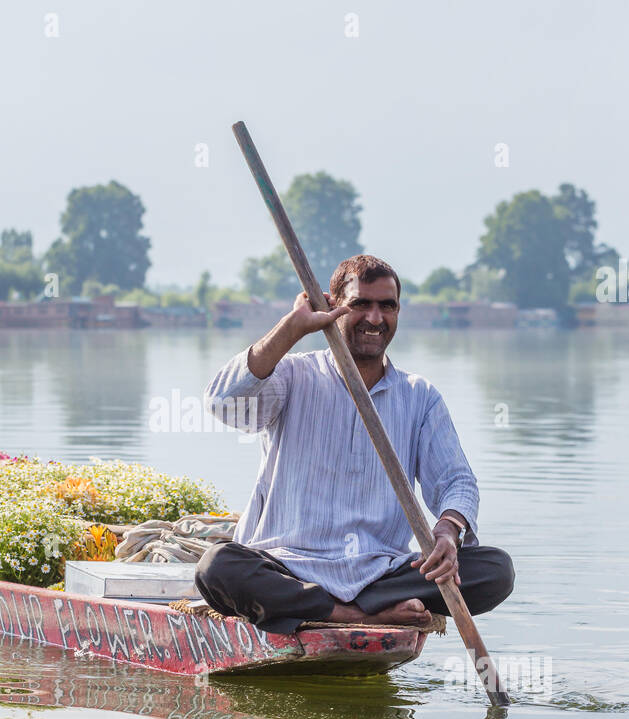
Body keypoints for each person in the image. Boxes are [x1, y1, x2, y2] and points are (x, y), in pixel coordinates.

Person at [195, 254, 514, 634]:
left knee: (495, 570)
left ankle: (355, 605)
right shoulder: (293, 375)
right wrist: (291, 329)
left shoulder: (419, 396)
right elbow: (222, 403)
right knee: (218, 567)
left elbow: (457, 483)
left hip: (379, 573)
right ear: (332, 306)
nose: (375, 319)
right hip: (286, 567)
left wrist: (447, 531)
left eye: (387, 306)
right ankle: (357, 616)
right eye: (361, 304)